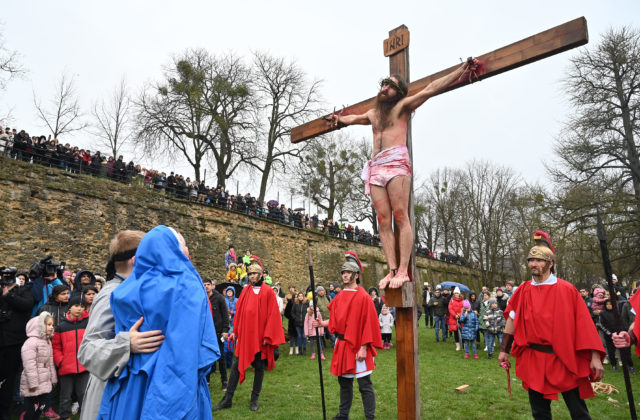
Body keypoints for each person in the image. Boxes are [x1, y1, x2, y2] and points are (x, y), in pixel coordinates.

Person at [326, 60, 479, 289]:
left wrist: (461, 70)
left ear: (398, 93)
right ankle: (392, 269)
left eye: (390, 86)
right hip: (376, 167)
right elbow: (353, 119)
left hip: (396, 162)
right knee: (383, 220)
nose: (384, 88)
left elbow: (431, 88)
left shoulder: (403, 107)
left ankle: (404, 271)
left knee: (400, 216)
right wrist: (339, 119)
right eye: (384, 83)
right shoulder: (373, 113)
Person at [97, 226, 220, 420]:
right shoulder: (185, 285)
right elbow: (183, 349)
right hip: (169, 379)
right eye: (184, 245)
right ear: (170, 248)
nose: (188, 251)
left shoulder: (125, 289)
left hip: (132, 383)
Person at [498, 230, 605, 419]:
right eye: (531, 260)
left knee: (579, 412)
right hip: (535, 360)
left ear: (550, 263)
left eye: (538, 260)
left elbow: (585, 327)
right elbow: (512, 320)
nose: (533, 264)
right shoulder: (523, 290)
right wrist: (504, 349)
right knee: (539, 413)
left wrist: (595, 358)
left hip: (565, 360)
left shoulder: (567, 290)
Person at [77, 230, 166, 420]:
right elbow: (87, 349)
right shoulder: (113, 293)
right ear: (137, 260)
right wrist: (126, 344)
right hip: (109, 398)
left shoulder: (134, 290)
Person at [312, 251, 383, 420]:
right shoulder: (340, 295)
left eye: (348, 273)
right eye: (343, 273)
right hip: (343, 345)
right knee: (344, 384)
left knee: (364, 385)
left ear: (356, 275)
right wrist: (322, 324)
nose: (345, 275)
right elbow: (336, 319)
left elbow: (369, 325)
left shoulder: (364, 297)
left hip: (359, 346)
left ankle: (370, 417)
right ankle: (343, 415)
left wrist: (364, 348)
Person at [213, 260, 285, 412]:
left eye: (254, 274)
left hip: (260, 339)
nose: (252, 276)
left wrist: (268, 336)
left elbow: (273, 316)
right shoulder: (245, 291)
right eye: (250, 274)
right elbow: (239, 313)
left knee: (259, 368)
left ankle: (254, 399)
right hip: (246, 338)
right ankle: (228, 399)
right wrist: (235, 332)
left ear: (260, 275)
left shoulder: (268, 292)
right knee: (236, 367)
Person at [0, 270, 34, 420]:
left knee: (9, 379)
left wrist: (8, 295)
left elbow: (26, 305)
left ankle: (5, 411)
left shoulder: (23, 291)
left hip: (13, 343)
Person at [52, 295, 90, 420]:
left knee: (83, 394)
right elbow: (56, 346)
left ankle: (85, 416)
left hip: (84, 367)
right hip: (66, 367)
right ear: (70, 307)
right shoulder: (61, 326)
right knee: (65, 396)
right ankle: (65, 416)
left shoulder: (88, 323)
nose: (79, 309)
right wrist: (60, 361)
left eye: (82, 306)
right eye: (76, 306)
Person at [20, 312, 57, 420]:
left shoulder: (47, 341)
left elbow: (50, 361)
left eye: (52, 325)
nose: (51, 327)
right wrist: (33, 383)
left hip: (44, 381)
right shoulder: (30, 342)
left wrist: (52, 378)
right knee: (31, 410)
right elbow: (29, 364)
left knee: (42, 407)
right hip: (33, 383)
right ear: (40, 326)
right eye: (48, 324)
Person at [203, 278, 230, 390]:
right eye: (204, 285)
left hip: (218, 332)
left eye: (208, 284)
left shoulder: (219, 298)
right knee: (207, 358)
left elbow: (225, 315)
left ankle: (224, 381)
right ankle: (207, 380)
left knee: (221, 358)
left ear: (212, 286)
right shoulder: (201, 298)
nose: (206, 287)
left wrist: (225, 330)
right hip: (206, 333)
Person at [448, 287, 464, 351]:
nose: (456, 294)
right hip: (454, 318)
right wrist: (455, 315)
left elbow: (463, 308)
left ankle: (463, 345)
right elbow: (450, 309)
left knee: (462, 332)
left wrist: (459, 315)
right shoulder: (451, 300)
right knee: (456, 332)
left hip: (461, 318)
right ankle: (458, 345)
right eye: (455, 293)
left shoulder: (462, 300)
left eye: (457, 293)